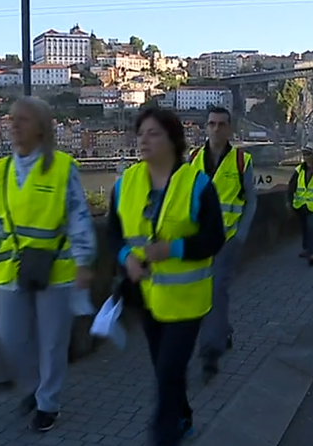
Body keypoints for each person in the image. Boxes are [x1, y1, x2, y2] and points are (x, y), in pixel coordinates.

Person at [107, 107, 225, 446]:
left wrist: (172, 249)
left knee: (169, 370)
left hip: (187, 300)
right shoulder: (125, 183)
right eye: (140, 132)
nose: (143, 139)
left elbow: (214, 238)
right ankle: (183, 414)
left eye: (153, 133)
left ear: (173, 140)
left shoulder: (197, 184)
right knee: (164, 366)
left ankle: (164, 433)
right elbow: (114, 234)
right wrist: (126, 257)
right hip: (147, 298)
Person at [0, 96, 96, 432]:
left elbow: (78, 216)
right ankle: (32, 386)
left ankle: (48, 402)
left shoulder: (61, 166)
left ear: (42, 128)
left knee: (52, 340)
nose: (13, 125)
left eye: (23, 119)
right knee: (8, 333)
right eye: (12, 119)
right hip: (12, 266)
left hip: (56, 266)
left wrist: (84, 261)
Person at [188, 106, 256, 381]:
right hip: (199, 240)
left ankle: (209, 353)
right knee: (204, 293)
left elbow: (251, 199)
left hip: (227, 240)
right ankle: (223, 331)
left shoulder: (241, 160)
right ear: (206, 127)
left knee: (216, 293)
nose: (216, 129)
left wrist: (240, 235)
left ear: (229, 129)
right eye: (212, 124)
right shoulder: (193, 158)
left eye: (221, 124)